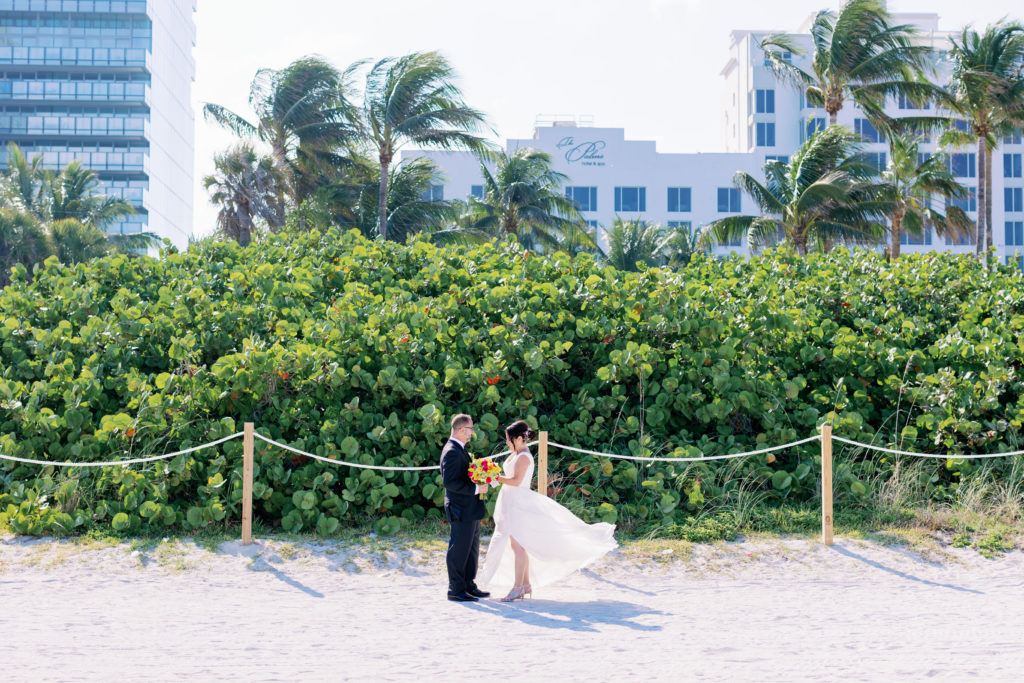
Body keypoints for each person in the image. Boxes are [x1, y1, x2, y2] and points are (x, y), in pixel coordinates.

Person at [477, 420, 618, 601]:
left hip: (519, 504)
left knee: (518, 546)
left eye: (509, 439)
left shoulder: (524, 457)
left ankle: (518, 587)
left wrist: (495, 477)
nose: (506, 443)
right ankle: (525, 584)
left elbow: (516, 481)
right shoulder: (516, 453)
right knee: (517, 545)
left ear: (519, 439)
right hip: (510, 502)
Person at [440, 413, 491, 602]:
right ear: (462, 429)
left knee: (471, 549)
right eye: (470, 429)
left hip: (469, 508)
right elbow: (450, 482)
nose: (472, 433)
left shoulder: (459, 449)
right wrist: (477, 487)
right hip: (460, 508)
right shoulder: (452, 451)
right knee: (459, 549)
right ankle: (455, 589)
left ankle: (469, 585)